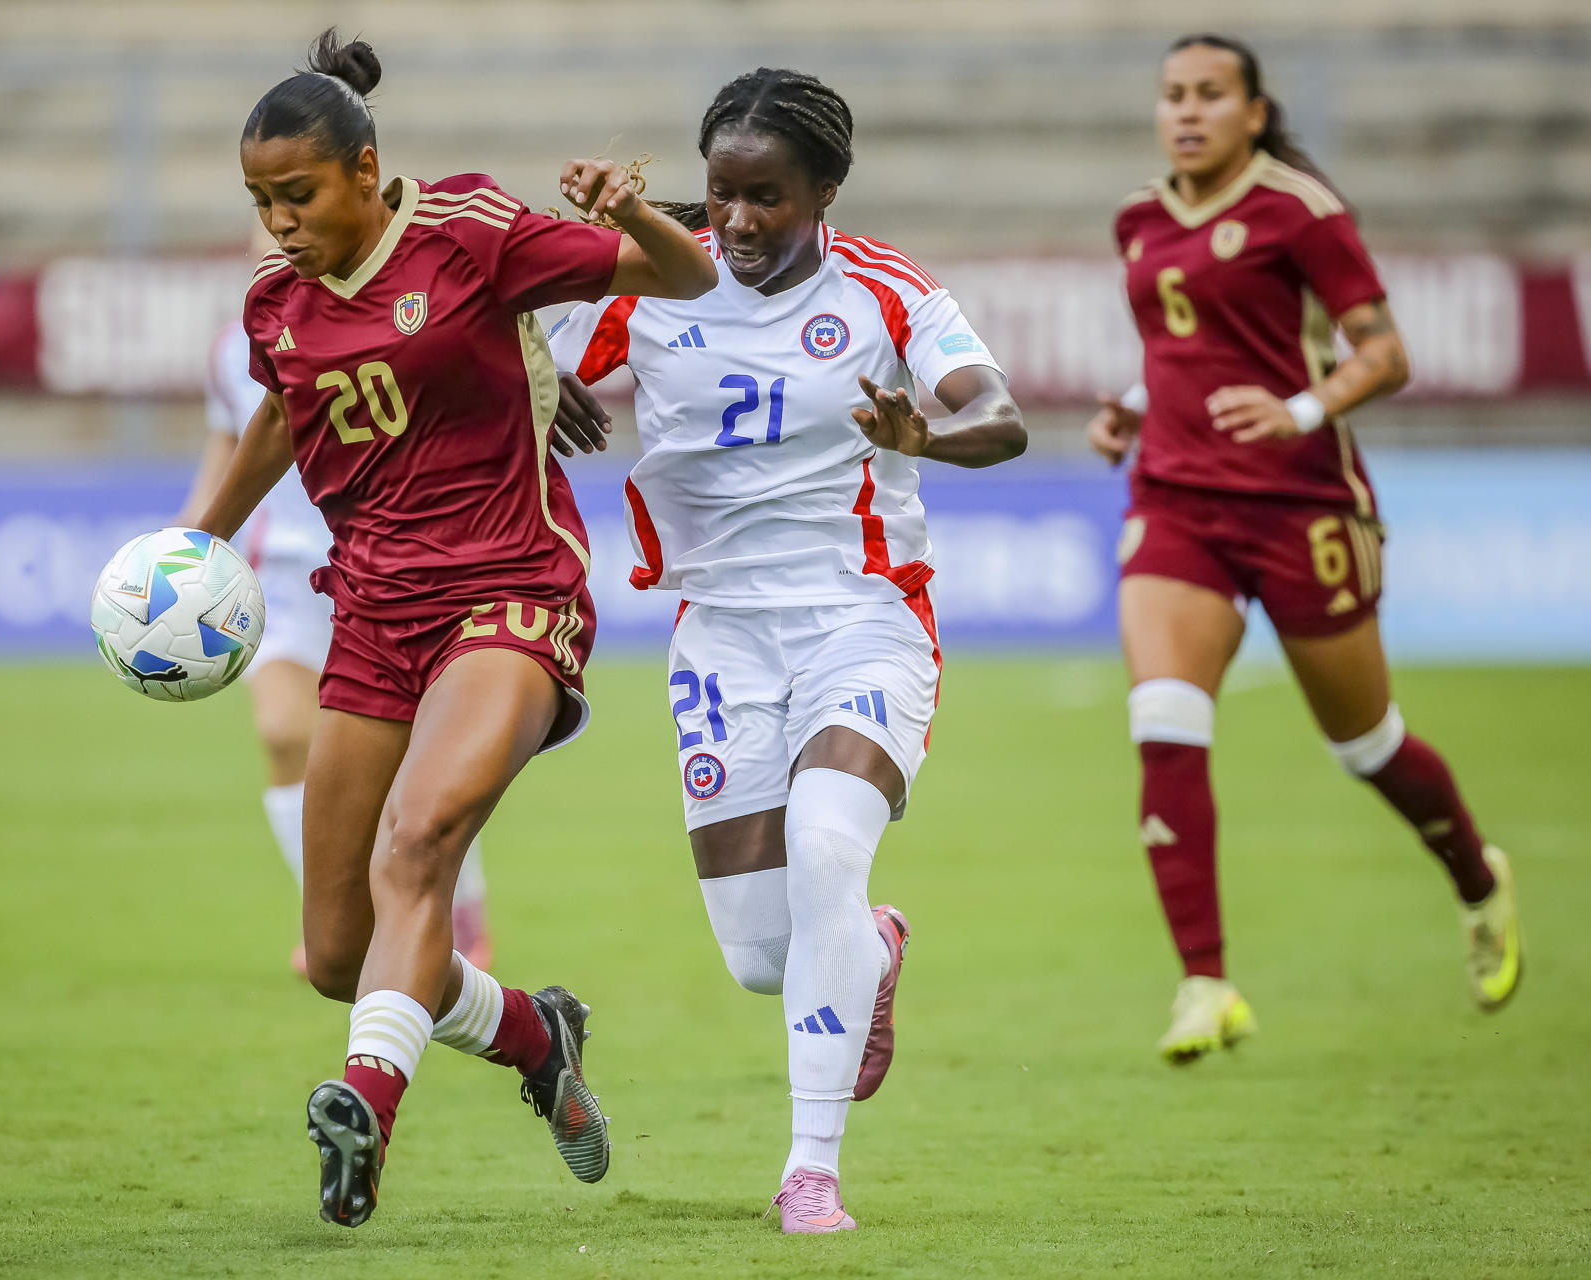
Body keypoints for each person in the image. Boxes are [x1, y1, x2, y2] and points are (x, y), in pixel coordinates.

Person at [191, 30, 716, 1228]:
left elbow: (682, 279)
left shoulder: (470, 229)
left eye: (300, 194)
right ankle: (536, 1032)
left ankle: (365, 1106)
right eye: (260, 199)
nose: (278, 220)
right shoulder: (275, 304)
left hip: (512, 594)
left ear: (366, 171)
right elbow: (285, 409)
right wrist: (207, 539)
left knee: (418, 839)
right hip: (373, 616)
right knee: (337, 952)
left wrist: (632, 214)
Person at [548, 68, 1024, 1233]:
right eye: (720, 196)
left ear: (825, 191)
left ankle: (811, 1170)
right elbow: (511, 346)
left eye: (768, 197)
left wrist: (928, 433)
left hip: (864, 616)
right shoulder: (650, 283)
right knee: (767, 955)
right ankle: (875, 943)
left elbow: (999, 417)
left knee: (824, 847)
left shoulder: (887, 289)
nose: (740, 223)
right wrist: (541, 373)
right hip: (719, 634)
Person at [1087, 33, 1523, 1065]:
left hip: (1300, 504)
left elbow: (1384, 352)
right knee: (1163, 715)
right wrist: (1136, 408)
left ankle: (1478, 876)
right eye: (1171, 95)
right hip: (1177, 498)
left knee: (1364, 743)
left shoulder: (1299, 211)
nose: (1186, 112)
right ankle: (1206, 981)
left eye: (1208, 95)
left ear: (1254, 110)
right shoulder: (1140, 219)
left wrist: (1298, 409)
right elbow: (1182, 348)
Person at [180, 226, 492, 979]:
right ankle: (331, 911)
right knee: (284, 729)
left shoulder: (394, 317)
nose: (281, 232)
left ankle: (462, 916)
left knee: (419, 764)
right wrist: (182, 553)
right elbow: (226, 461)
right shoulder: (237, 347)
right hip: (286, 580)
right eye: (263, 215)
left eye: (296, 207)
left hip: (383, 570)